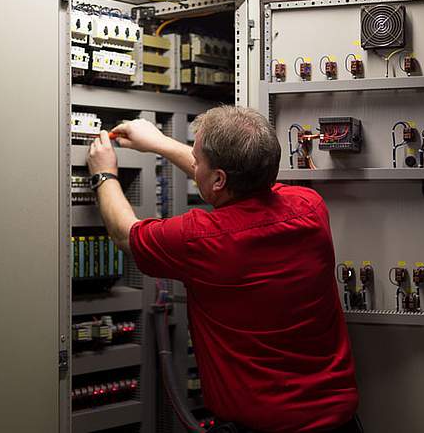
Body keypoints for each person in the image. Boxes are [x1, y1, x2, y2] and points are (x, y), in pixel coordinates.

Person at [86, 106, 360, 433]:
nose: (194, 163)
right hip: (340, 425)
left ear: (218, 178)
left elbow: (124, 233)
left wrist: (104, 174)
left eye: (197, 160)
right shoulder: (309, 207)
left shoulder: (201, 240)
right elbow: (229, 178)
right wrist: (158, 142)